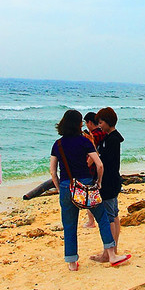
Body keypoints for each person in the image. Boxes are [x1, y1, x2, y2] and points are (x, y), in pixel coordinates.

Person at [49, 109, 130, 271]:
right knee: (103, 219)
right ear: (79, 124)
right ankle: (112, 255)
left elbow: (52, 171)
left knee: (70, 224)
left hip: (67, 186)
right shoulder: (84, 141)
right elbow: (99, 164)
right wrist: (99, 182)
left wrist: (59, 188)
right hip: (86, 185)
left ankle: (72, 263)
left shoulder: (57, 144)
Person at [90, 107, 125, 263]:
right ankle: (113, 249)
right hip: (113, 181)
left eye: (101, 122)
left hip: (109, 182)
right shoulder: (111, 138)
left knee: (110, 217)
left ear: (108, 122)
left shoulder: (112, 140)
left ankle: (109, 252)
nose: (100, 126)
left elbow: (105, 162)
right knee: (114, 215)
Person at [81, 112, 106, 229]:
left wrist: (85, 167)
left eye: (86, 123)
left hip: (92, 169)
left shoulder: (92, 136)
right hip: (103, 166)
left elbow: (93, 154)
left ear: (90, 122)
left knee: (90, 196)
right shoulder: (104, 132)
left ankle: (91, 221)